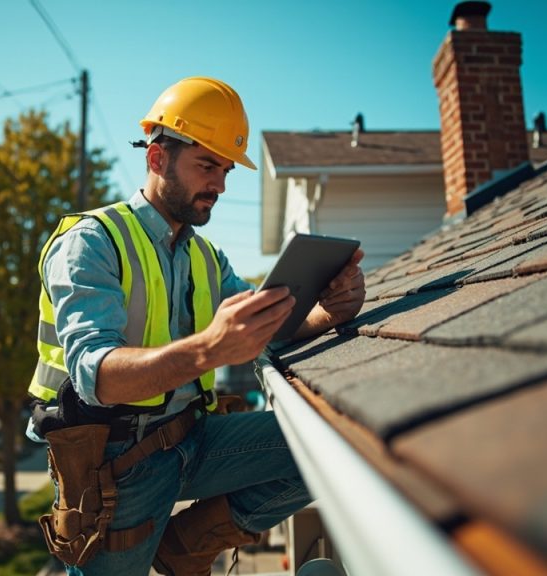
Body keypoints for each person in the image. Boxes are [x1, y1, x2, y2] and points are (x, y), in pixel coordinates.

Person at [28, 76, 365, 576]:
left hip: (192, 439)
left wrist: (327, 315)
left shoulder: (204, 256)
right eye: (207, 165)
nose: (220, 185)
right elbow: (95, 377)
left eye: (226, 170)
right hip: (113, 466)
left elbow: (262, 330)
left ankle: (185, 545)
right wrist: (208, 350)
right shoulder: (91, 242)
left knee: (334, 446)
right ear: (157, 158)